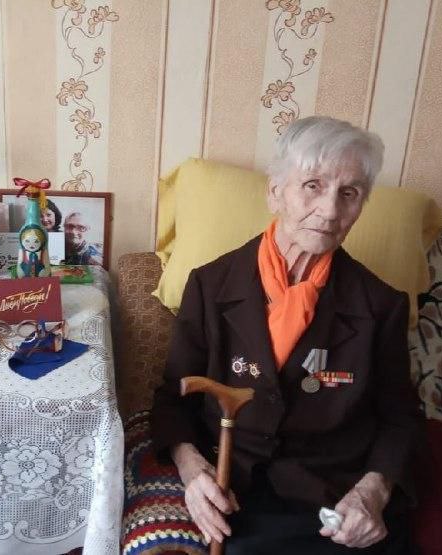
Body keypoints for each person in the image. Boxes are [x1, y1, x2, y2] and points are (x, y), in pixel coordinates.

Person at [151, 116, 422, 554]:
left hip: (337, 495)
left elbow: (400, 417)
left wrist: (372, 492)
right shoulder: (210, 285)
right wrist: (192, 471)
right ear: (275, 191)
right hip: (238, 488)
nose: (330, 211)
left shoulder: (381, 305)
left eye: (349, 193)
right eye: (313, 185)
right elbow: (173, 397)